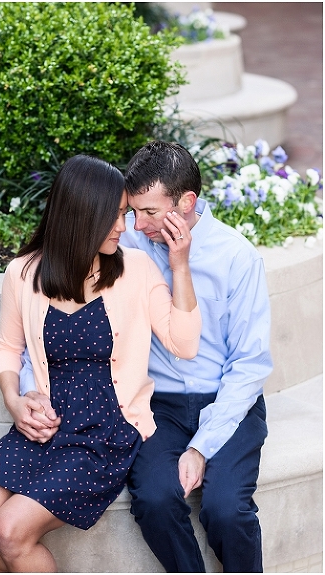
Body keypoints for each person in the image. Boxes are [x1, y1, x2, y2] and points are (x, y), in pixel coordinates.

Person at [23, 141, 273, 572]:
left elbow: (249, 365)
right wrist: (29, 388)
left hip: (228, 400)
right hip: (157, 405)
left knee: (227, 509)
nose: (137, 224)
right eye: (132, 211)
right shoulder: (122, 244)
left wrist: (201, 448)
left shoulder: (237, 257)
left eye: (150, 212)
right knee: (155, 500)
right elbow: (53, 314)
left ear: (186, 203)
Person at [0, 154, 202, 573]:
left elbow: (185, 343)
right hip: (43, 424)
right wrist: (15, 401)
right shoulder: (23, 273)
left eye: (125, 214)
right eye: (114, 216)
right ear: (81, 216)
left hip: (105, 430)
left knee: (10, 530)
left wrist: (179, 265)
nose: (124, 227)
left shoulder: (136, 268)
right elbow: (7, 347)